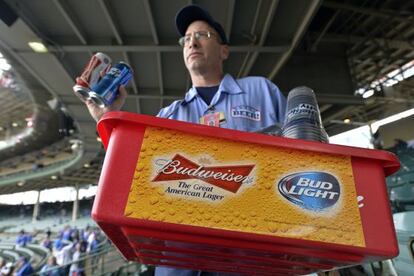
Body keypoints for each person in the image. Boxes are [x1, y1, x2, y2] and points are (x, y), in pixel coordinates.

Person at [80, 4, 287, 276]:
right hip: (181, 259)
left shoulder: (260, 90)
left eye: (203, 35)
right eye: (186, 39)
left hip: (252, 251)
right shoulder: (167, 116)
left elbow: (305, 151)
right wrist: (106, 117)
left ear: (224, 50)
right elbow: (134, 175)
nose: (192, 41)